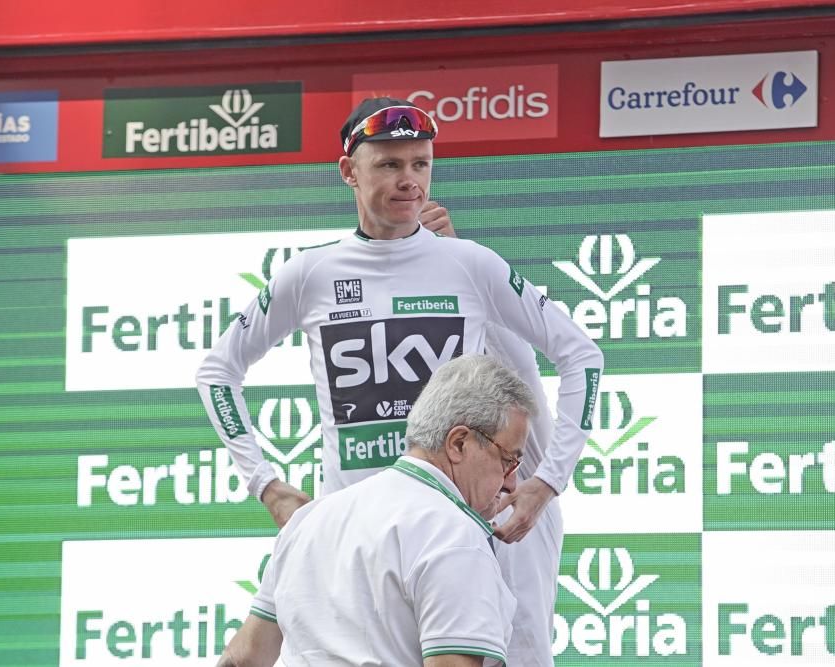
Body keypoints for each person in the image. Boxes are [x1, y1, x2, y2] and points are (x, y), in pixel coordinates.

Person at [196, 97, 604, 665]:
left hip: (463, 528)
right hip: (357, 537)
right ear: (349, 172)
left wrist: (546, 483)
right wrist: (267, 485)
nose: (409, 180)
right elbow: (218, 371)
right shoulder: (310, 272)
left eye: (420, 163)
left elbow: (581, 355)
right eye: (389, 164)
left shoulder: (469, 262)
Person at [219, 354, 534, 666]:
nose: (511, 483)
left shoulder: (309, 520)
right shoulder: (454, 536)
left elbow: (243, 657)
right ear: (459, 443)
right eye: (509, 460)